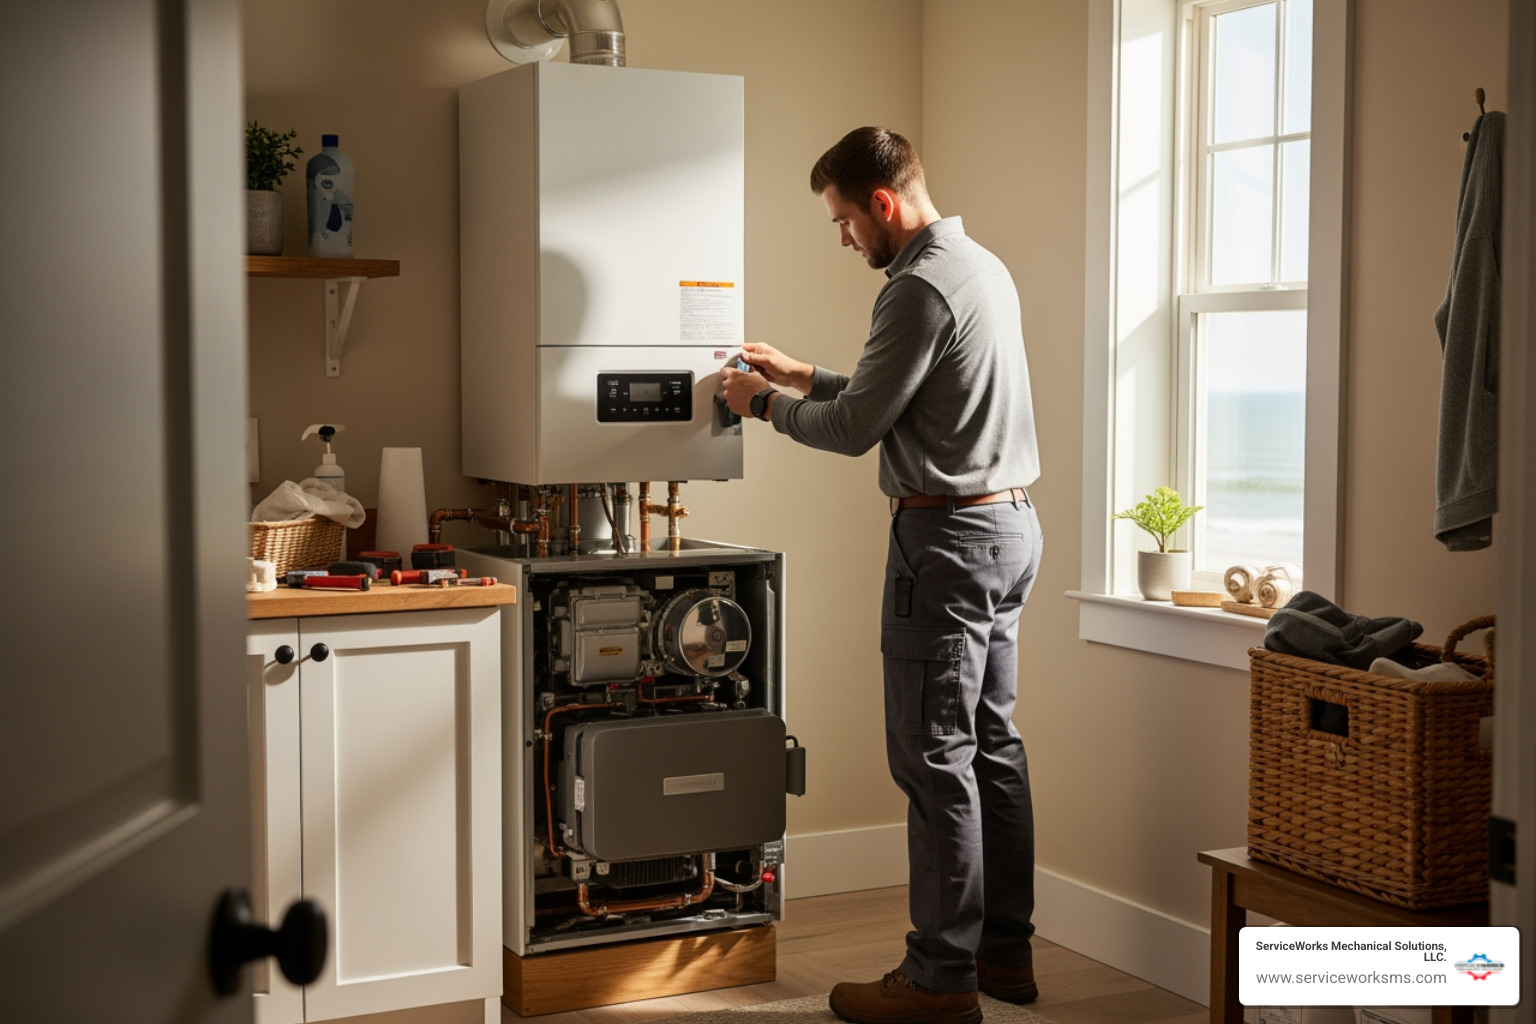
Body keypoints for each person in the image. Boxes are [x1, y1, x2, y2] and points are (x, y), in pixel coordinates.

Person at [720, 126, 1044, 1024]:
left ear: (885, 205)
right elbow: (904, 398)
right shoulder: (980, 266)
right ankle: (1003, 957)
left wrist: (767, 405)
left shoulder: (914, 287)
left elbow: (859, 427)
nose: (843, 238)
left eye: (844, 220)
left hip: (943, 545)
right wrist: (806, 373)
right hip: (1009, 528)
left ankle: (940, 982)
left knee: (933, 758)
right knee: (991, 749)